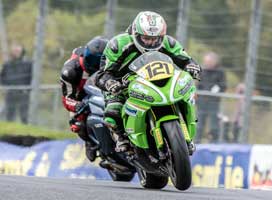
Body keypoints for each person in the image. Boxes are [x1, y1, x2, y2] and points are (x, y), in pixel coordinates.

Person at [96, 11, 202, 152]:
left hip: (157, 80)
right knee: (113, 111)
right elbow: (102, 74)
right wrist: (111, 83)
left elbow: (186, 59)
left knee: (185, 96)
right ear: (136, 33)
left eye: (156, 38)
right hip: (123, 85)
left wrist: (192, 66)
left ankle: (186, 135)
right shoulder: (118, 44)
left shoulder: (168, 42)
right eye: (146, 38)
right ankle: (121, 138)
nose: (152, 42)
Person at [60, 36, 108, 161]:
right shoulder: (70, 71)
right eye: (93, 61)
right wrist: (77, 105)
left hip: (103, 87)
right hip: (79, 94)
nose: (97, 64)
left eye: (101, 61)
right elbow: (67, 98)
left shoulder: (110, 62)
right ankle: (89, 142)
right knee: (77, 124)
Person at [195, 52, 226, 143]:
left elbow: (223, 86)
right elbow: (198, 85)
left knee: (214, 125)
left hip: (214, 102)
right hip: (202, 101)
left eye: (209, 62)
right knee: (200, 124)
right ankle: (197, 142)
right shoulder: (202, 71)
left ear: (214, 62)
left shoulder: (220, 72)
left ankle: (214, 142)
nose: (207, 64)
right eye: (206, 62)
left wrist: (215, 91)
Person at [0, 43, 32, 124]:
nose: (16, 52)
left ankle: (26, 132)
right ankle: (8, 133)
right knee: (9, 115)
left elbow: (32, 77)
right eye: (14, 51)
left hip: (24, 92)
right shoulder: (7, 64)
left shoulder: (28, 63)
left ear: (21, 51)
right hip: (11, 92)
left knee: (24, 115)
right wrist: (5, 87)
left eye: (18, 50)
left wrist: (28, 89)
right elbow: (2, 76)